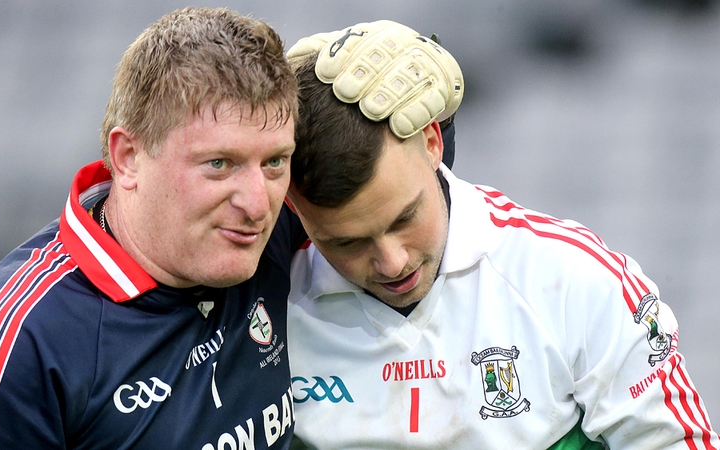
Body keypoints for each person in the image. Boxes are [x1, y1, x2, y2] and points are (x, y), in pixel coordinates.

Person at [284, 21, 719, 449]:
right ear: (292, 207)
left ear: (433, 141)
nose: (392, 262)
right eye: (347, 242)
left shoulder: (577, 281)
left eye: (405, 218)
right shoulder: (263, 306)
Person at [0, 7, 306, 449]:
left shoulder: (277, 226)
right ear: (128, 158)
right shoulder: (21, 348)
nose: (258, 204)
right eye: (219, 164)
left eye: (275, 161)